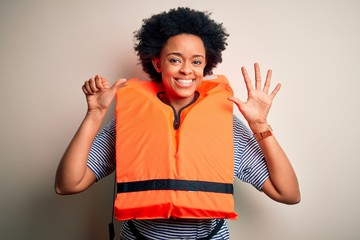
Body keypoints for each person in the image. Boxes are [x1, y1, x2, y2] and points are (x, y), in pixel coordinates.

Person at [55, 7, 300, 240]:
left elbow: (288, 193)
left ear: (206, 65)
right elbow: (67, 184)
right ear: (157, 63)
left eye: (196, 61)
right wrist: (94, 114)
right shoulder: (130, 120)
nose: (186, 71)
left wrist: (259, 125)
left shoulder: (226, 125)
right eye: (175, 60)